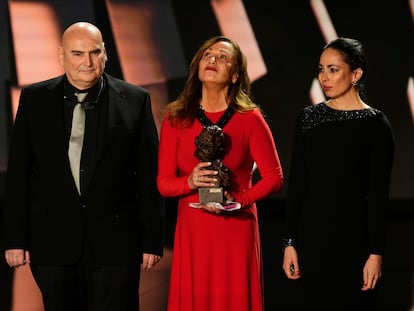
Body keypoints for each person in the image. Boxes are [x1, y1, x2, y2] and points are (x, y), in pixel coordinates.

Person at [0, 21, 164, 311]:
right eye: (77, 53)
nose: (87, 62)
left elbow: (148, 175)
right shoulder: (35, 99)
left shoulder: (135, 100)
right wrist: (15, 238)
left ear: (105, 54)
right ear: (61, 55)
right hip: (53, 244)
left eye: (94, 52)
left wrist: (152, 239)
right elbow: (18, 174)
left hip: (116, 246)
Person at [157, 35, 284, 311]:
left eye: (223, 57)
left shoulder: (250, 118)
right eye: (207, 55)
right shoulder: (176, 118)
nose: (212, 60)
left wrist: (240, 200)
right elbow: (164, 183)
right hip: (194, 230)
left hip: (235, 229)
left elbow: (274, 178)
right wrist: (189, 181)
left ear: (236, 75)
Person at [281, 37, 395, 310]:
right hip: (312, 240)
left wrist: (375, 254)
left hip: (355, 242)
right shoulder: (308, 119)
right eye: (321, 69)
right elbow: (297, 185)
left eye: (333, 69)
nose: (324, 77)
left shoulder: (376, 125)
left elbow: (379, 195)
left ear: (356, 74)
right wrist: (289, 242)